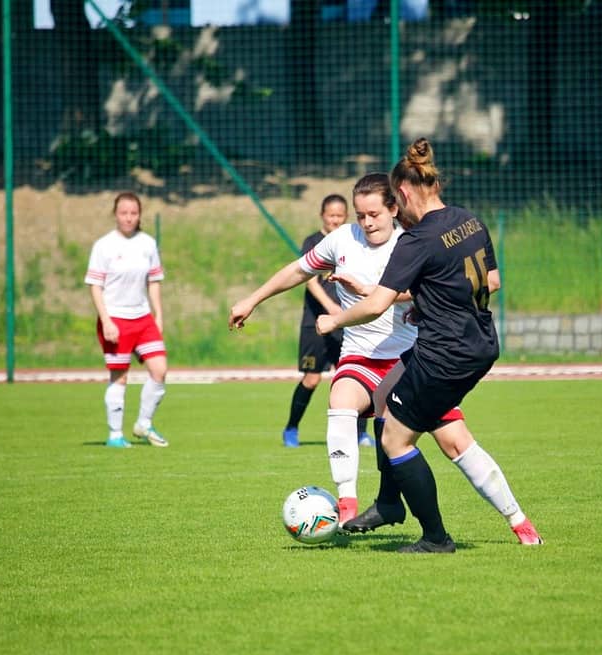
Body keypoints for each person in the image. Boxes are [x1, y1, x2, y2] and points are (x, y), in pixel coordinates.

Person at [231, 172, 541, 544]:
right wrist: (253, 299)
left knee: (456, 442)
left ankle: (518, 520)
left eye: (374, 214)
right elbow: (299, 270)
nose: (366, 222)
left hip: (413, 359)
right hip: (361, 357)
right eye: (360, 215)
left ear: (394, 208)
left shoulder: (411, 241)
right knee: (341, 400)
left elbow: (424, 291)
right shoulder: (342, 239)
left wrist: (382, 299)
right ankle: (348, 506)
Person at [317, 138, 542, 553]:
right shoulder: (469, 221)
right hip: (480, 342)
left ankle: (434, 537)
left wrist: (334, 319)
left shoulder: (417, 239)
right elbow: (492, 281)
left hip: (443, 353)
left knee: (396, 441)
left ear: (403, 193)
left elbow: (376, 305)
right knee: (401, 406)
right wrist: (429, 300)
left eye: (395, 203)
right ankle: (518, 524)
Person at [282, 194, 372, 449]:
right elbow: (309, 279)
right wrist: (331, 307)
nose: (335, 220)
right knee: (311, 378)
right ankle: (291, 428)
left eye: (340, 216)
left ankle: (360, 434)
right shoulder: (313, 242)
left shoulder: (353, 243)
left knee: (354, 377)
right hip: (316, 322)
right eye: (331, 215)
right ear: (322, 215)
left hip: (347, 324)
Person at [85, 191, 169, 448]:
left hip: (142, 318)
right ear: (115, 214)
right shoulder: (104, 246)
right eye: (124, 213)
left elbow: (153, 281)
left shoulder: (148, 244)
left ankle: (144, 423)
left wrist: (158, 314)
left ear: (139, 215)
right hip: (116, 319)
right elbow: (95, 286)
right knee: (119, 377)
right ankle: (115, 435)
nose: (129, 218)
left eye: (133, 213)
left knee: (159, 370)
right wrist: (106, 320)